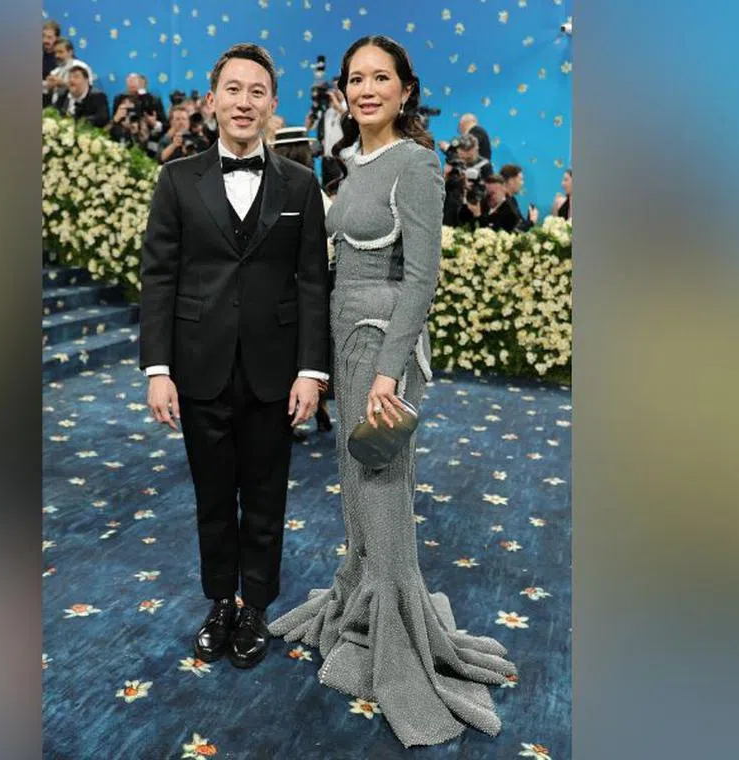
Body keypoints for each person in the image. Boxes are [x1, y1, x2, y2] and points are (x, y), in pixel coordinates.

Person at [268, 35, 517, 747]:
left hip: (384, 351)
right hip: (347, 342)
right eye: (356, 79)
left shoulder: (417, 163)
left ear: (406, 89)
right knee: (356, 485)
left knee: (382, 486)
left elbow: (421, 277)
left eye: (382, 78)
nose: (367, 89)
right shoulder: (354, 161)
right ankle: (364, 601)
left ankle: (398, 634)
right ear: (343, 92)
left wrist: (388, 369)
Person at [139, 43, 330, 670]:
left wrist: (312, 370)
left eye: (257, 92)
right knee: (213, 498)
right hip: (199, 366)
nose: (244, 102)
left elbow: (313, 282)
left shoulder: (301, 183)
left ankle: (256, 607)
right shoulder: (176, 179)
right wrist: (158, 369)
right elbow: (159, 278)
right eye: (233, 89)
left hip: (276, 372)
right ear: (211, 100)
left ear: (272, 104)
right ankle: (220, 601)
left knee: (267, 497)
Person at [271, 126, 334, 436]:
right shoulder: (314, 192)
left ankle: (293, 411)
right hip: (313, 282)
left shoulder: (270, 189)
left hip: (279, 285)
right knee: (312, 345)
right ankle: (316, 406)